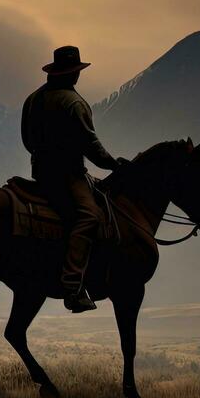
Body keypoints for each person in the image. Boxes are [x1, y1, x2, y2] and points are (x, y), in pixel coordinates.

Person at [19, 46, 128, 313]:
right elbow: (91, 145)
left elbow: (27, 140)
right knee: (90, 215)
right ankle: (72, 285)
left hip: (40, 172)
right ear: (74, 74)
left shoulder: (33, 99)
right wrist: (114, 164)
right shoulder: (74, 103)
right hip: (68, 175)